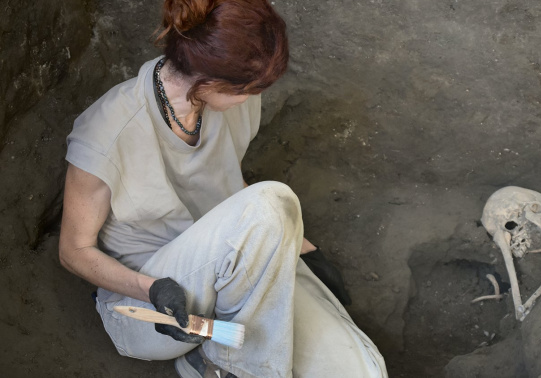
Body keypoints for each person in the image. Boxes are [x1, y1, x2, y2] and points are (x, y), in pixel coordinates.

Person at [58, 1, 387, 377]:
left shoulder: (229, 103)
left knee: (360, 370)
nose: (251, 97)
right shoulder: (107, 132)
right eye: (244, 89)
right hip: (157, 307)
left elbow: (231, 189)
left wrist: (304, 249)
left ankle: (211, 361)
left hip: (234, 270)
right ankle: (222, 363)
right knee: (273, 198)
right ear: (208, 82)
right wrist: (149, 287)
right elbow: (73, 250)